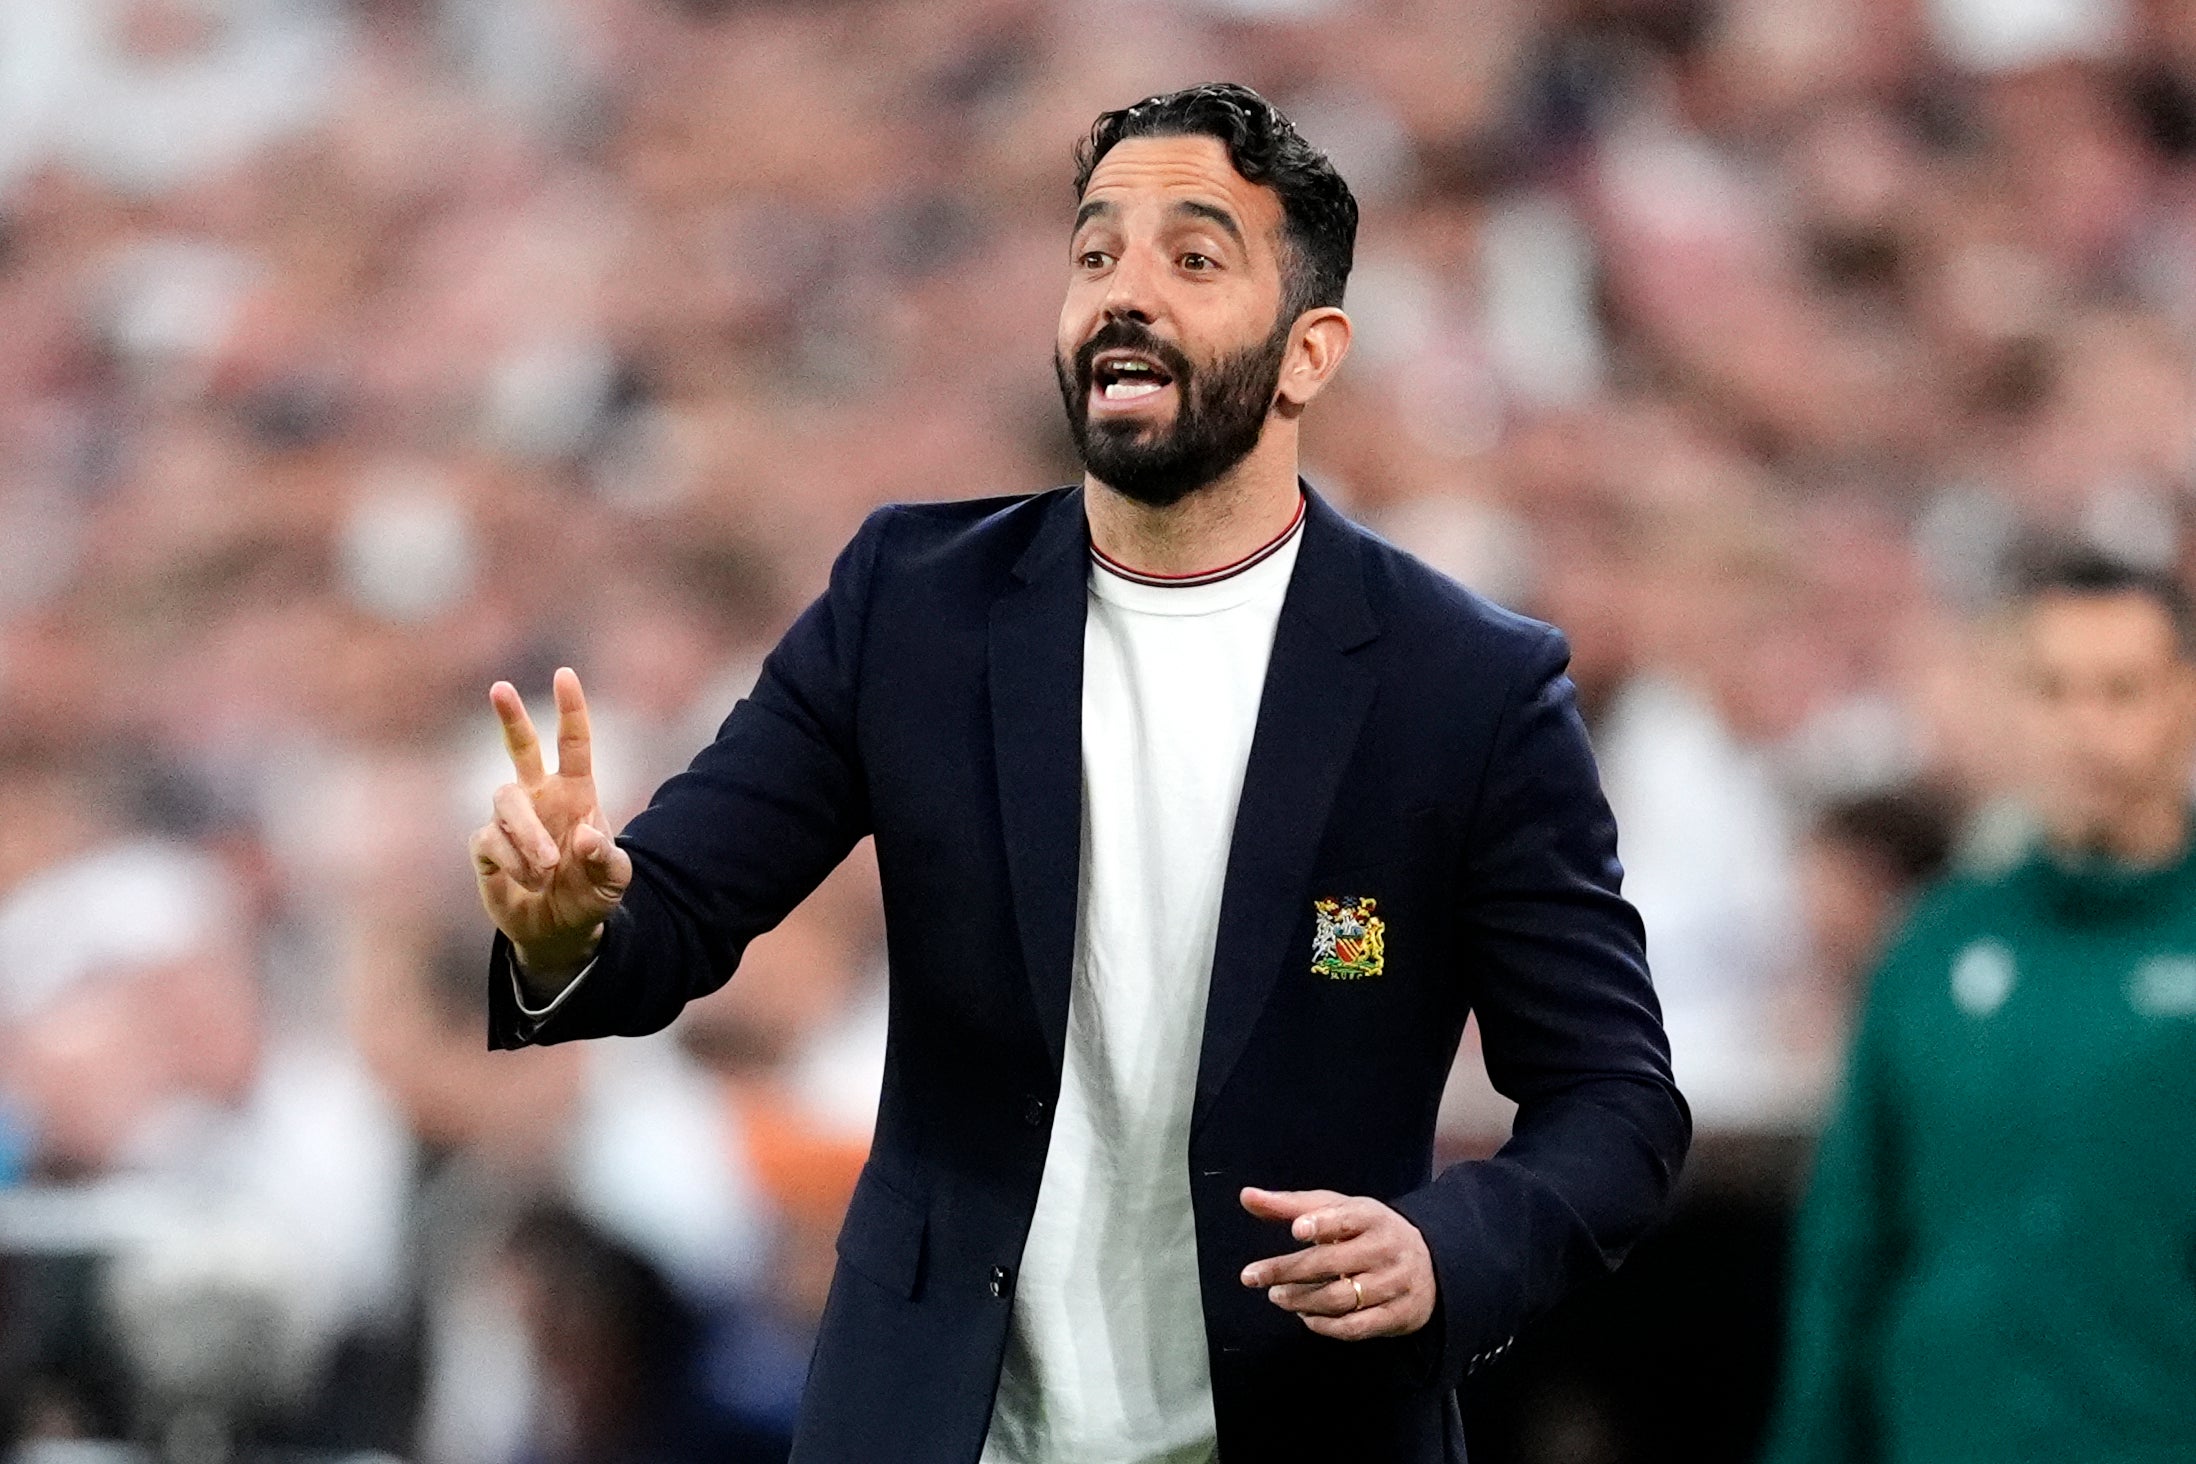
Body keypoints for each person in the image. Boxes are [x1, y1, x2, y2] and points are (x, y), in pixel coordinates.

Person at [469, 83, 1688, 1464]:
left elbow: (1616, 1105)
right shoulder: (908, 605)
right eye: (1096, 253)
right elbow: (675, 913)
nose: (1124, 292)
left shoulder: (1465, 687)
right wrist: (569, 928)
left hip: (1305, 1426)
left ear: (1308, 354)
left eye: (1194, 256)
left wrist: (1440, 1249)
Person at [1762, 553, 2196, 1464]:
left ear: (2184, 699)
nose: (2086, 728)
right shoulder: (1935, 946)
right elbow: (1848, 1251)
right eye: (2052, 690)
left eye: (2122, 691)